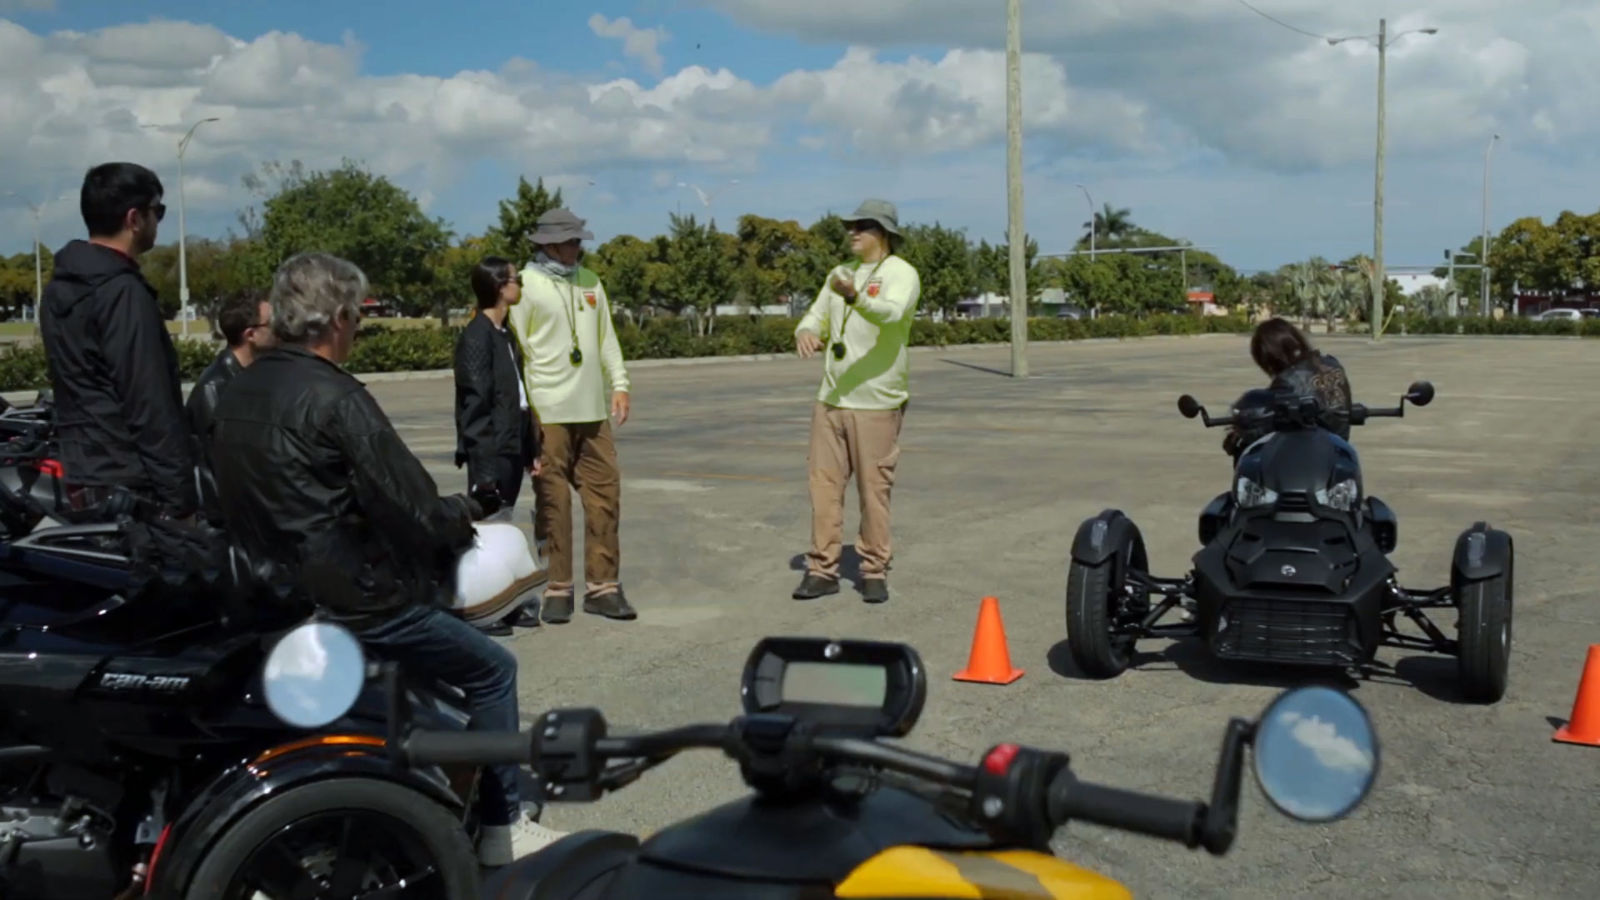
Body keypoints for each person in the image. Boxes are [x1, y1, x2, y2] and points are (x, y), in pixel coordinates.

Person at [209, 251, 566, 867]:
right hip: (355, 598)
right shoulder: (336, 397)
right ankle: (504, 823)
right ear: (340, 318)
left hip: (268, 593)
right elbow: (414, 509)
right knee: (491, 668)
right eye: (356, 318)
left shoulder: (238, 390)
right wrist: (469, 513)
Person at [39, 162, 196, 520]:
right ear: (134, 218)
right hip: (132, 481)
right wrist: (181, 502)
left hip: (84, 471)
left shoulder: (60, 287)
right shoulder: (121, 291)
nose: (159, 221)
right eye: (158, 211)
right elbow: (148, 402)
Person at [791, 199, 922, 604]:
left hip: (877, 401)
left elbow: (890, 314)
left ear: (883, 233)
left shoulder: (902, 274)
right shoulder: (839, 274)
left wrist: (854, 299)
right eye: (850, 225)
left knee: (873, 490)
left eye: (862, 226)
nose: (852, 232)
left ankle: (873, 569)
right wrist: (806, 330)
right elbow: (815, 315)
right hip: (831, 399)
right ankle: (822, 569)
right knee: (824, 489)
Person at [509, 208, 637, 624]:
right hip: (548, 411)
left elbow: (606, 339)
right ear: (547, 244)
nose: (577, 247)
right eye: (569, 241)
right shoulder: (525, 286)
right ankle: (557, 587)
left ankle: (603, 587)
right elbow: (517, 352)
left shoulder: (590, 282)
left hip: (592, 411)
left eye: (579, 240)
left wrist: (619, 384)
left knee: (604, 497)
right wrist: (524, 409)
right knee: (552, 501)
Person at [455, 256, 545, 634]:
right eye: (515, 279)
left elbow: (518, 399)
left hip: (511, 444)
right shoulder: (476, 338)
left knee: (503, 528)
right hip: (490, 452)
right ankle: (484, 608)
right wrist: (485, 468)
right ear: (498, 287)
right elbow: (474, 406)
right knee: (486, 532)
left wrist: (531, 449)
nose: (519, 284)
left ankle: (507, 604)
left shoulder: (504, 334)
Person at [187, 291, 277, 524]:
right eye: (273, 323)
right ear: (251, 334)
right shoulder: (216, 390)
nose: (281, 330)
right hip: (230, 523)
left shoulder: (254, 376)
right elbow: (230, 471)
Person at [1224, 317, 1354, 459]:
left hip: (1307, 454)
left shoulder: (1287, 381)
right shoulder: (1332, 363)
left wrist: (1241, 430)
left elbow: (1265, 422)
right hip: (1338, 446)